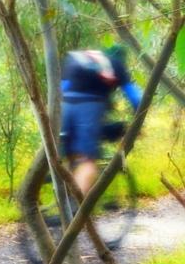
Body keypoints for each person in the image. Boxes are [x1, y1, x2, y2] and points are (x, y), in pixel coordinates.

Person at [59, 45, 142, 197]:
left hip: (63, 105)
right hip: (89, 107)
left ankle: (64, 207)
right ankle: (75, 214)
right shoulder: (117, 64)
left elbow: (62, 87)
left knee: (70, 156)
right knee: (87, 161)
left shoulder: (82, 57)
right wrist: (139, 124)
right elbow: (136, 99)